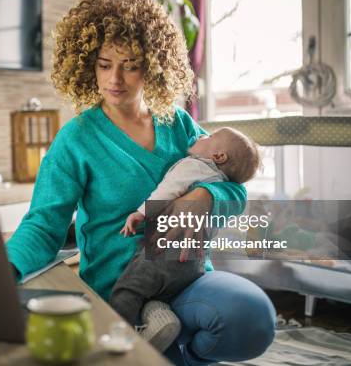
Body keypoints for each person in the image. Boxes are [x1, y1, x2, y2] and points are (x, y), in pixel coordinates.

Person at [6, 0, 276, 365]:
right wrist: (3, 267)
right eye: (104, 64)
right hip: (119, 289)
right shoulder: (76, 139)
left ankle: (180, 353)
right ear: (87, 64)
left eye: (130, 64)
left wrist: (205, 199)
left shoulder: (178, 124)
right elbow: (43, 225)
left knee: (254, 319)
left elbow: (235, 186)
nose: (114, 78)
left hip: (186, 277)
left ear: (152, 65)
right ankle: (153, 345)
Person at [111, 127, 262, 352]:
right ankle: (158, 316)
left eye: (209, 137)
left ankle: (119, 341)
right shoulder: (217, 178)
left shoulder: (194, 166)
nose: (201, 135)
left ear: (219, 156)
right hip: (193, 265)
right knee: (155, 291)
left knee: (128, 291)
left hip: (163, 254)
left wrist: (141, 213)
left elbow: (167, 190)